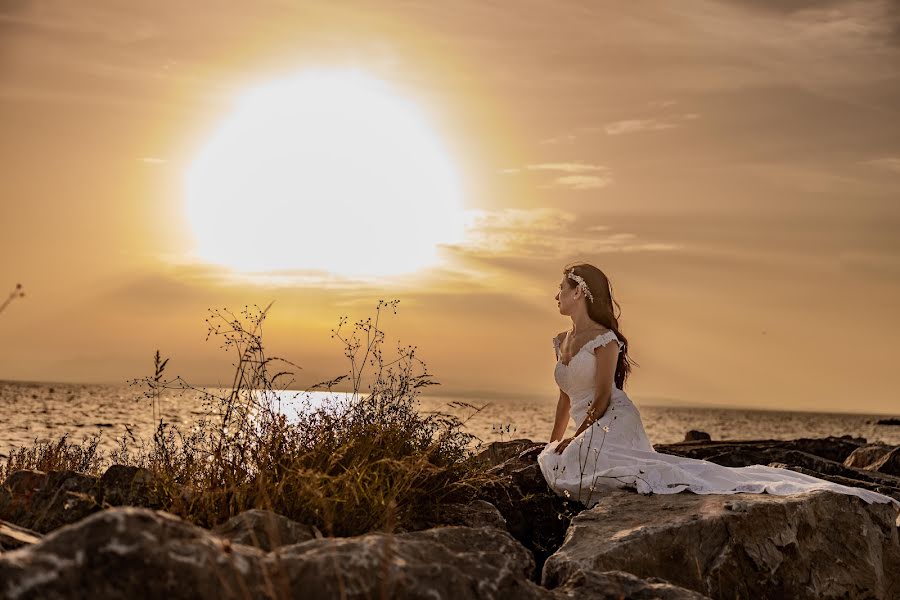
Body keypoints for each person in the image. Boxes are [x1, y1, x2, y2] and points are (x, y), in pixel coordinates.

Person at [536, 263, 900, 511]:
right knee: (556, 459)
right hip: (589, 423)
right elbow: (565, 398)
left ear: (579, 292)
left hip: (612, 419)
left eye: (561, 289)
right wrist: (554, 439)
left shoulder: (605, 340)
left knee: (579, 464)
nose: (556, 296)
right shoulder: (560, 340)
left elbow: (600, 399)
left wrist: (574, 438)